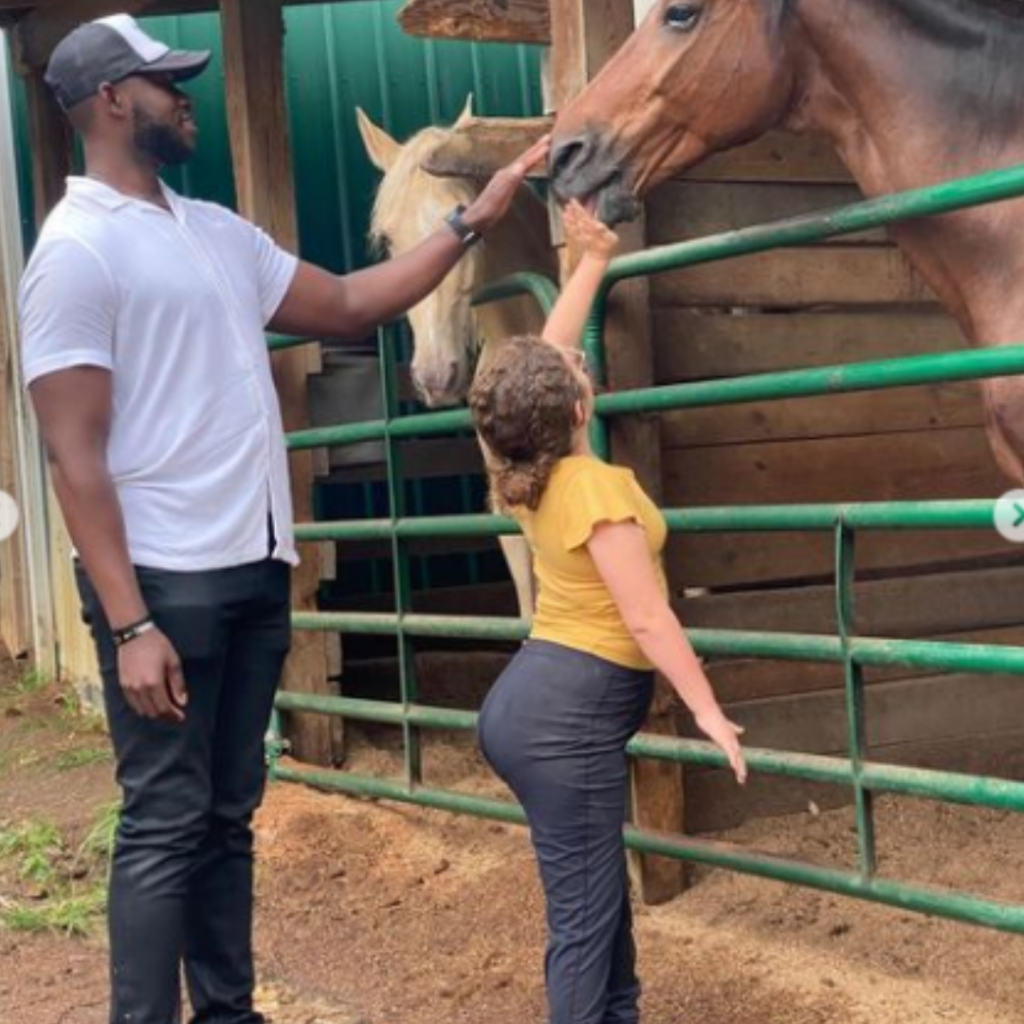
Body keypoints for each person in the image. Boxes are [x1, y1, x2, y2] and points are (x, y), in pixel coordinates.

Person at [18, 13, 549, 1024]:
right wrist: (130, 624)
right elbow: (73, 455)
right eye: (165, 82)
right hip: (163, 583)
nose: (185, 96)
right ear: (109, 102)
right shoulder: (75, 253)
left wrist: (468, 222)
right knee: (167, 818)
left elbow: (352, 302)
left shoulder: (215, 233)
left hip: (253, 570)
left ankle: (225, 1011)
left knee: (227, 815)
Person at [469, 200, 747, 1024]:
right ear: (579, 412)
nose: (580, 371)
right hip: (568, 719)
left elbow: (544, 364)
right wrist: (709, 712)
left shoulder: (524, 464)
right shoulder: (593, 489)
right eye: (579, 379)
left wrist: (591, 259)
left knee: (595, 899)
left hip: (536, 704)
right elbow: (651, 620)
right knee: (585, 921)